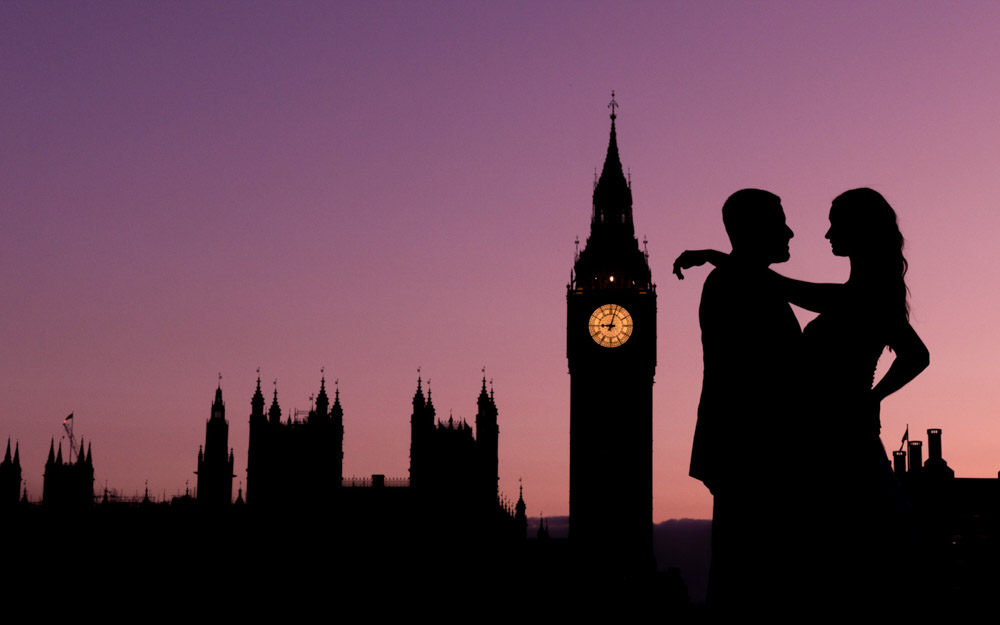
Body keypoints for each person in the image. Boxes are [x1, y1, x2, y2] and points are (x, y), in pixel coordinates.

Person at [676, 187, 930, 611]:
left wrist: (872, 398)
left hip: (839, 443)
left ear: (859, 231)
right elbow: (782, 288)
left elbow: (916, 355)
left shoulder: (860, 296)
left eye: (836, 224)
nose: (823, 232)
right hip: (824, 444)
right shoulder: (857, 293)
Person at [680, 189, 804, 612]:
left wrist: (718, 254)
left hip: (742, 455)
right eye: (780, 222)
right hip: (753, 455)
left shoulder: (738, 279)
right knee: (750, 584)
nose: (790, 231)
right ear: (754, 230)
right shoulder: (738, 284)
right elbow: (766, 376)